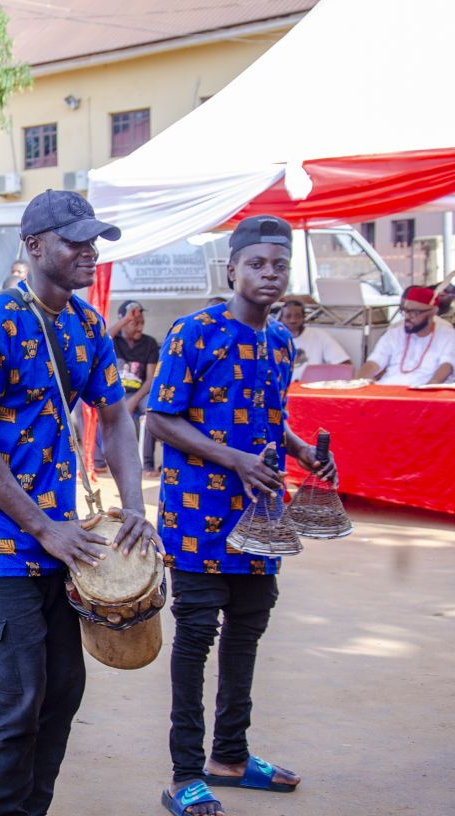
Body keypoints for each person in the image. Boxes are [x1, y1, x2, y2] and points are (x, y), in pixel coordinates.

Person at [0, 189, 155, 816]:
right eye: (75, 241)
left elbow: (115, 417)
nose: (90, 252)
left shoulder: (89, 324)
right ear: (35, 246)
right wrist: (44, 528)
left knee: (63, 688)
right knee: (18, 696)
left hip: (63, 536)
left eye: (94, 241)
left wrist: (135, 507)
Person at [146, 215, 337, 816]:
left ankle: (229, 756)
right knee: (197, 634)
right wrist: (234, 459)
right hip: (198, 516)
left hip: (261, 516)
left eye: (279, 265)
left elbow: (270, 415)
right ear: (232, 270)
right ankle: (184, 773)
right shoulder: (193, 332)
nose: (269, 274)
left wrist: (303, 452)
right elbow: (160, 417)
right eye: (257, 263)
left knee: (249, 628)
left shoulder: (280, 340)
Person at [95, 301, 161, 474]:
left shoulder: (149, 343)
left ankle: (147, 464)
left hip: (139, 393)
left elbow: (150, 380)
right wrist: (125, 320)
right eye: (134, 323)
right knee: (98, 406)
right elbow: (101, 340)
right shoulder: (114, 340)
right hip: (115, 392)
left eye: (142, 323)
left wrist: (134, 400)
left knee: (151, 409)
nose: (140, 328)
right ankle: (99, 462)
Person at [357, 286, 455, 386]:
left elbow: (447, 366)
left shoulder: (448, 335)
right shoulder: (394, 334)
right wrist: (358, 383)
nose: (408, 317)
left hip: (424, 389)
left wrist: (428, 389)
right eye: (406, 311)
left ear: (432, 312)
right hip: (388, 388)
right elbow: (374, 362)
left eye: (415, 312)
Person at [278, 299, 350, 380]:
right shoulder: (274, 339)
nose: (293, 320)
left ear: (304, 318)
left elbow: (344, 364)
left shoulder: (320, 336)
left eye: (297, 316)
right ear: (281, 319)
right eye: (288, 316)